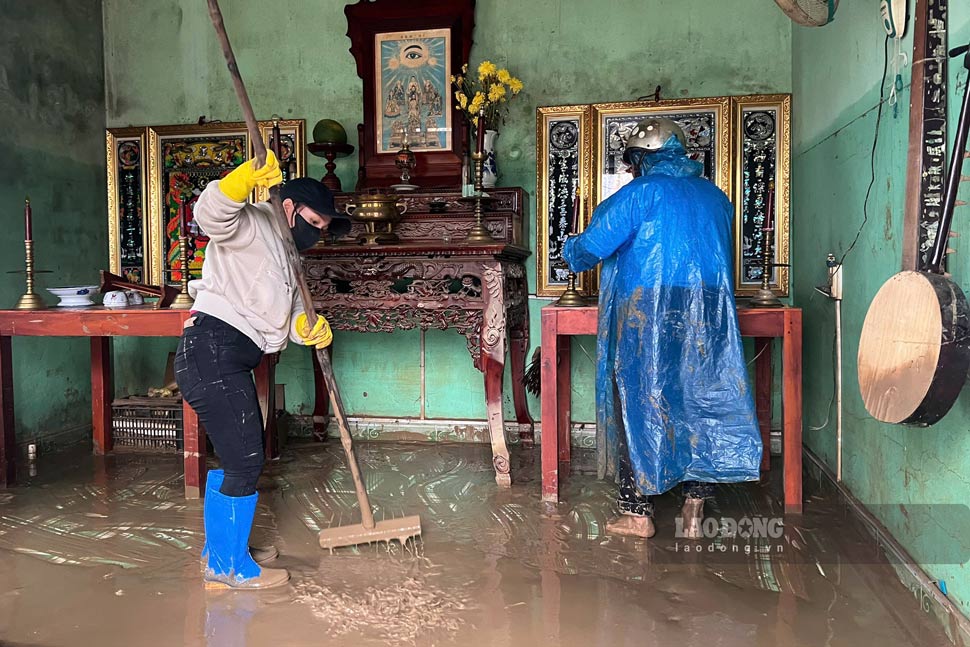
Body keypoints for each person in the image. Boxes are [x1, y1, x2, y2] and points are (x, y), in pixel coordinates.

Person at [563, 118, 762, 540]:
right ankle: (694, 509)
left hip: (649, 308)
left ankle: (637, 513)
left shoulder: (640, 193)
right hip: (707, 307)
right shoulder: (716, 197)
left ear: (641, 159)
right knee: (698, 396)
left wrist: (570, 248)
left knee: (638, 396)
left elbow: (592, 247)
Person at [174, 152, 352, 588]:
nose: (320, 232)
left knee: (237, 454)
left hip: (233, 356)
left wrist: (306, 326)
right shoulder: (250, 222)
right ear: (289, 207)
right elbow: (208, 213)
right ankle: (227, 568)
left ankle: (220, 548)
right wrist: (238, 181)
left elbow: (285, 316)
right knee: (247, 456)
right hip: (212, 348)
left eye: (326, 228)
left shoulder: (291, 257)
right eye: (316, 221)